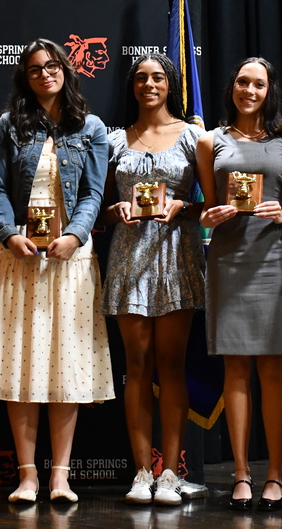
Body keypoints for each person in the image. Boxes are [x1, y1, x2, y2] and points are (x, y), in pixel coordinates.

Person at [0, 38, 114, 504]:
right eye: (35, 69)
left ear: (66, 71)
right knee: (20, 363)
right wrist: (10, 233)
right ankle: (28, 475)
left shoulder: (90, 127)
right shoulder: (9, 127)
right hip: (17, 259)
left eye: (52, 66)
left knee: (65, 365)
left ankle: (60, 476)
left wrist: (74, 235)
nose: (44, 74)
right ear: (24, 77)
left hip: (70, 258)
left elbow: (94, 193)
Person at [197, 57, 282, 511]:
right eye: (242, 82)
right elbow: (205, 208)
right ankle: (241, 474)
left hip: (274, 259)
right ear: (232, 87)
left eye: (258, 83)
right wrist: (210, 216)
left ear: (269, 89)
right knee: (235, 369)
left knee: (272, 370)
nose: (249, 90)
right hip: (227, 259)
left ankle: (275, 473)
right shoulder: (210, 141)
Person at [100, 54, 205, 506]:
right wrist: (114, 209)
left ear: (171, 83)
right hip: (127, 259)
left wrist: (185, 207)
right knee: (136, 365)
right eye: (141, 77)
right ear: (132, 85)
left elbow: (212, 206)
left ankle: (170, 474)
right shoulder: (112, 140)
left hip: (176, 257)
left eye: (158, 77)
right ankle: (142, 471)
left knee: (172, 364)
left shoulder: (193, 137)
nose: (149, 84)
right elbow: (97, 202)